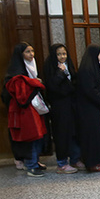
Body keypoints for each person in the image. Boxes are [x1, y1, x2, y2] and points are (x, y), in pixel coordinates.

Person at [3, 43, 47, 177]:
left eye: (32, 51)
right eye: (28, 52)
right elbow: (20, 96)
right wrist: (36, 84)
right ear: (20, 54)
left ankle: (36, 161)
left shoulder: (32, 68)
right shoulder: (15, 74)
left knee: (39, 136)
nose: (31, 54)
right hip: (24, 110)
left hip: (35, 108)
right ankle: (31, 165)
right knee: (31, 136)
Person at [42, 44, 81, 174]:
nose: (62, 57)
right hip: (59, 107)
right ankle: (62, 163)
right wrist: (60, 73)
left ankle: (75, 159)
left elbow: (74, 83)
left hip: (71, 105)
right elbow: (52, 87)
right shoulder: (51, 67)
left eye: (64, 54)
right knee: (62, 134)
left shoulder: (69, 65)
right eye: (59, 54)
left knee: (74, 133)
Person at [76, 44, 100, 173]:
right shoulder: (87, 69)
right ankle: (93, 163)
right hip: (88, 109)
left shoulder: (94, 67)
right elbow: (89, 90)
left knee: (97, 135)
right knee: (91, 136)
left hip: (94, 107)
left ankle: (97, 160)